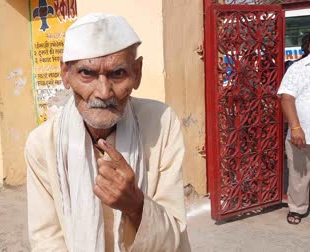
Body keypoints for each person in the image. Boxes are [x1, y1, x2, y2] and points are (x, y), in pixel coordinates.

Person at [25, 13, 189, 251]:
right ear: (65, 74)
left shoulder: (161, 124)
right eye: (87, 73)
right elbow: (46, 239)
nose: (103, 92)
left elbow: (175, 237)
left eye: (117, 73)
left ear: (137, 72)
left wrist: (136, 205)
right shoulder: (43, 144)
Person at [278, 33, 310, 225]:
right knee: (299, 174)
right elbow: (287, 98)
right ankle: (297, 209)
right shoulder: (298, 69)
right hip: (302, 133)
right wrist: (296, 127)